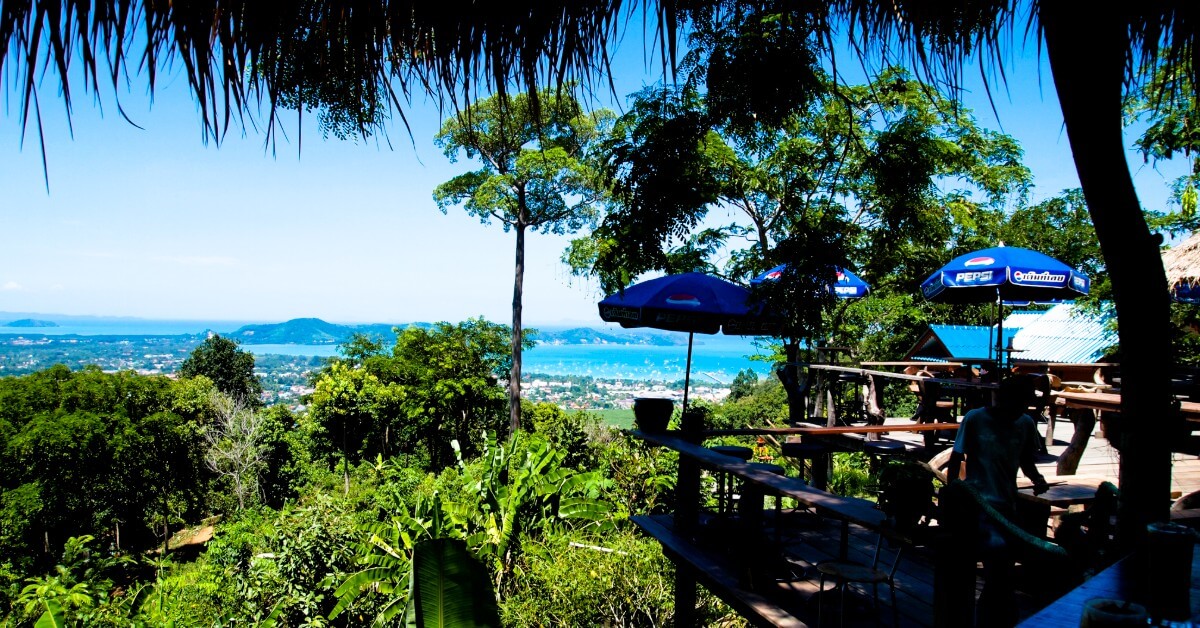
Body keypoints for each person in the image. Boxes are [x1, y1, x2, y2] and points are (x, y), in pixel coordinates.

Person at [945, 373, 1050, 628]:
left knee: (1002, 572)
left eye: (1026, 404)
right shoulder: (975, 419)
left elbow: (1026, 460)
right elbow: (956, 459)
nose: (1023, 409)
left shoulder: (1025, 424)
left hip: (1007, 506)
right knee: (995, 569)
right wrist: (952, 493)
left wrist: (1037, 479)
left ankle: (990, 617)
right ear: (1004, 399)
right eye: (1020, 402)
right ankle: (992, 617)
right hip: (978, 505)